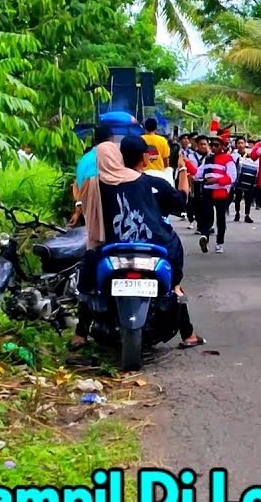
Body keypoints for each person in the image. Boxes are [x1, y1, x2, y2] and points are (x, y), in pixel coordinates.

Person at [72, 135, 204, 349]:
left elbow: (85, 210)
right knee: (174, 286)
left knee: (89, 283)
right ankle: (187, 334)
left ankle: (80, 334)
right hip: (154, 244)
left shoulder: (96, 185)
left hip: (112, 246)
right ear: (144, 157)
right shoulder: (148, 182)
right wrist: (181, 171)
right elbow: (180, 203)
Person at [196, 135, 235, 253]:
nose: (213, 147)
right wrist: (187, 166)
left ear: (222, 146)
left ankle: (219, 242)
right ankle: (205, 237)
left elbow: (232, 177)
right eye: (211, 145)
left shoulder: (228, 159)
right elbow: (198, 174)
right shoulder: (207, 159)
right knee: (206, 215)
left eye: (216, 145)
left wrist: (217, 180)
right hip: (207, 191)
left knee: (220, 218)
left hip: (221, 192)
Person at [230, 136, 254, 223]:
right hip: (238, 179)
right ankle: (237, 213)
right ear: (236, 145)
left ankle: (247, 215)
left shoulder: (250, 154)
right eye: (239, 143)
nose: (240, 145)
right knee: (238, 197)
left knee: (248, 197)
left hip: (248, 178)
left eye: (242, 143)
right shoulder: (233, 155)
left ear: (245, 144)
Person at [141, 118, 171, 184]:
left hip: (143, 174)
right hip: (159, 174)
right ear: (156, 127)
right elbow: (165, 159)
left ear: (145, 127)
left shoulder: (140, 139)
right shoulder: (162, 140)